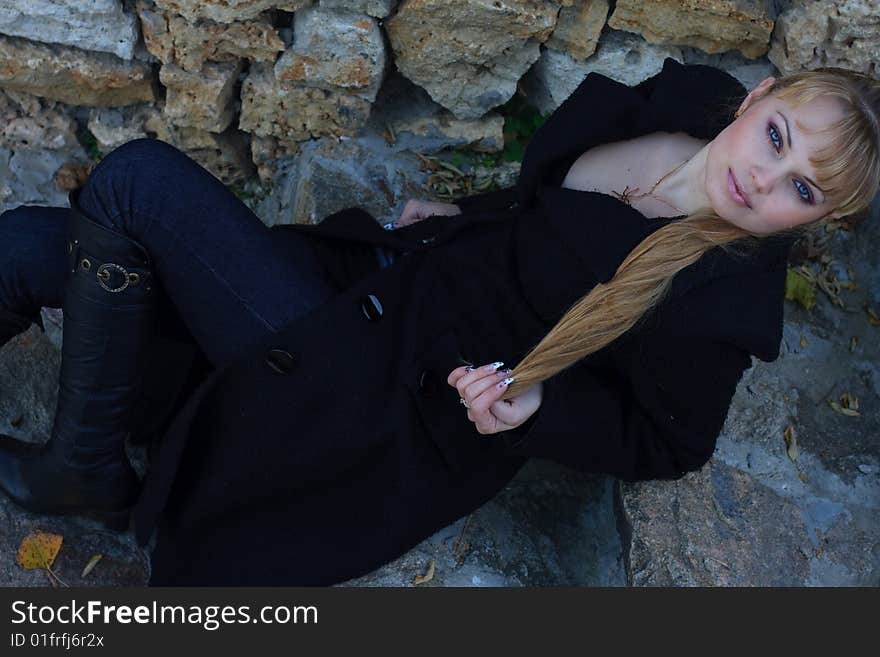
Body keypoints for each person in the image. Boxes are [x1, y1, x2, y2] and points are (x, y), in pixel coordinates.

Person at [0, 58, 877, 585]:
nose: (766, 180)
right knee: (35, 243)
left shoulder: (720, 299)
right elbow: (547, 199)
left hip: (382, 387)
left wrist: (540, 411)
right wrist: (466, 216)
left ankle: (83, 469)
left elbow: (669, 441)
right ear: (757, 96)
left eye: (803, 189)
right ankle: (88, 460)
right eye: (777, 137)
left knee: (134, 183)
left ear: (819, 221)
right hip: (380, 280)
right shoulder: (686, 104)